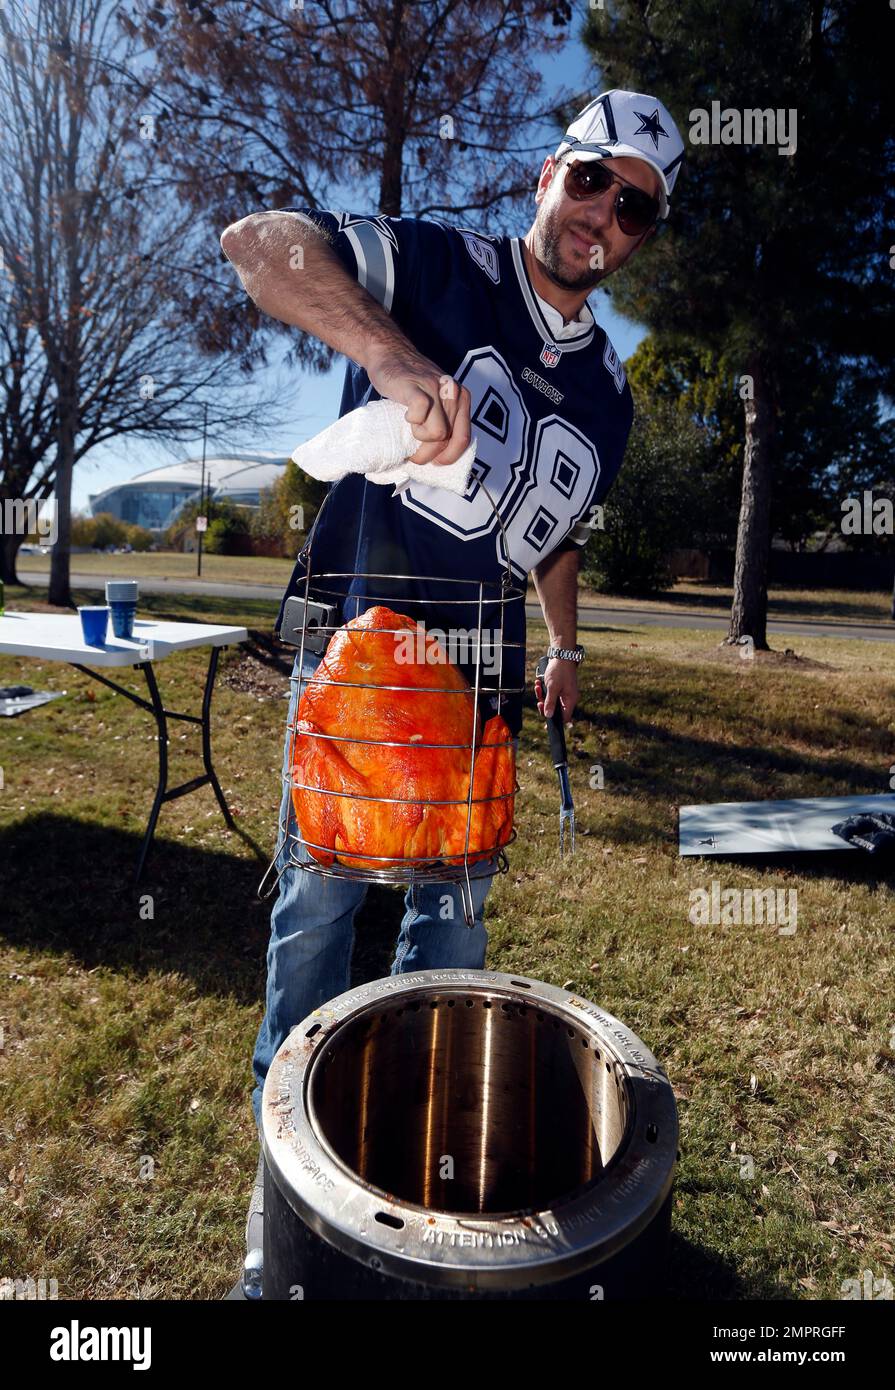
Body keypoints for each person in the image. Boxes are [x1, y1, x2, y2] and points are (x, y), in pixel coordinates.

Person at [220, 88, 685, 1263]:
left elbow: (558, 534)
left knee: (449, 939)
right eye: (592, 180)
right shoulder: (433, 264)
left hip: (480, 698)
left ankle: (410, 1210)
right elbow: (260, 245)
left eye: (635, 208)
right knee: (317, 921)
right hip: (362, 673)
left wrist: (566, 642)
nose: (604, 218)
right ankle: (286, 1229)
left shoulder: (611, 399)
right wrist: (387, 355)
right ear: (546, 173)